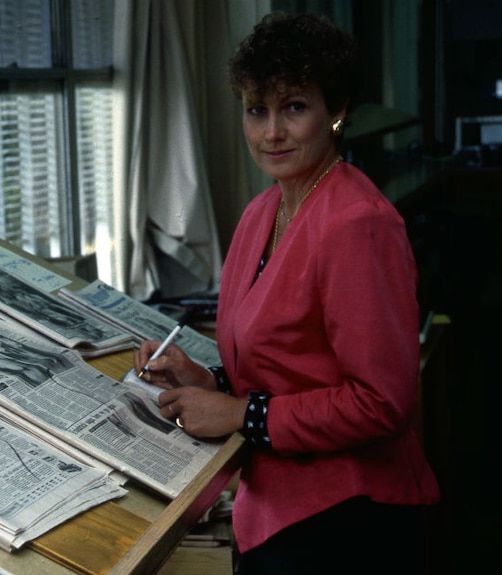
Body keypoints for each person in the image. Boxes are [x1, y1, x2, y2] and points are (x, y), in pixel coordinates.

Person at [133, 12, 439, 575]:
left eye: (294, 107)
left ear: (337, 111)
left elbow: (381, 403)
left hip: (348, 526)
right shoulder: (260, 213)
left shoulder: (358, 222)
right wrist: (210, 383)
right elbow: (288, 368)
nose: (271, 132)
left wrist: (238, 413)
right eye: (257, 110)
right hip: (274, 513)